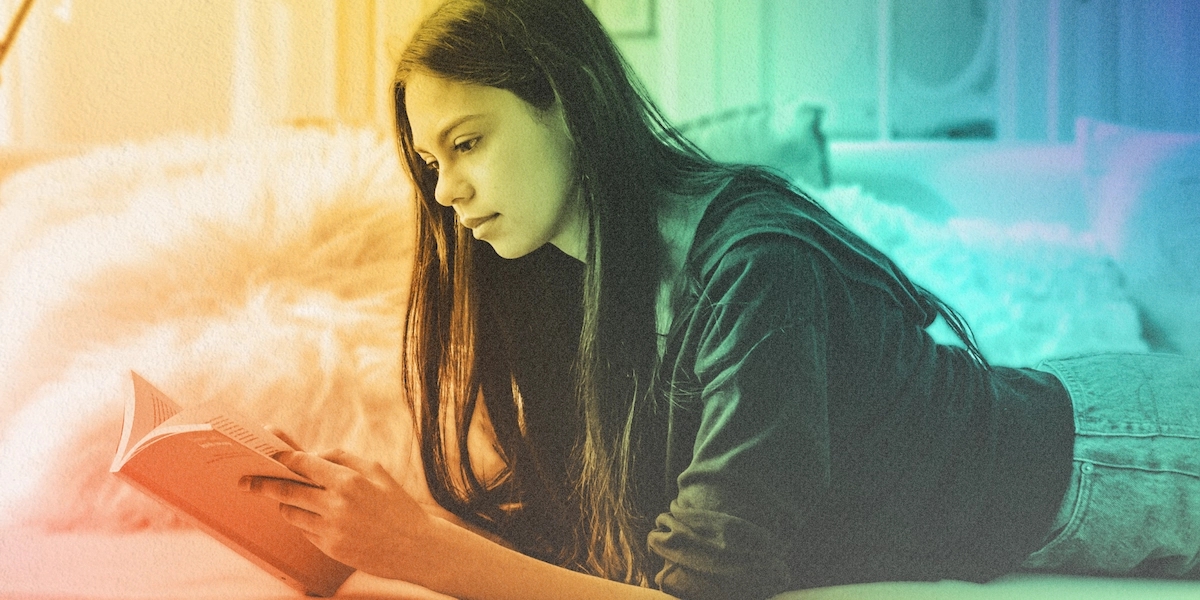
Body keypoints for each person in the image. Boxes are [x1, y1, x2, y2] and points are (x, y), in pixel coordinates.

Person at [240, 1, 1200, 598]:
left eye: (468, 143)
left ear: (567, 105)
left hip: (1128, 457)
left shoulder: (752, 265)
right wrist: (360, 528)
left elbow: (700, 596)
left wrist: (418, 552)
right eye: (425, 160)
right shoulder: (569, 280)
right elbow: (605, 545)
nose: (443, 191)